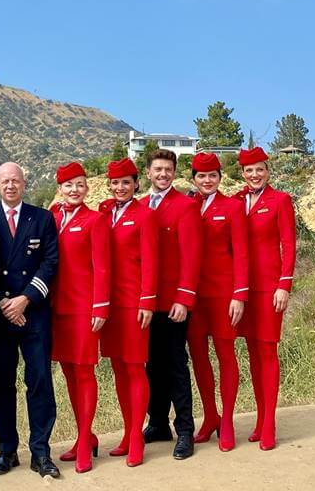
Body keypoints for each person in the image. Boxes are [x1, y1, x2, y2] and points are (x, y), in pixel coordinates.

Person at [0, 161, 61, 478]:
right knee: (2, 383)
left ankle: (41, 451)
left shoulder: (42, 218)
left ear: (24, 183)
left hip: (35, 311)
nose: (11, 186)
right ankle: (7, 450)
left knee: (40, 381)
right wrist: (4, 301)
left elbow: (50, 262)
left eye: (16, 180)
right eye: (5, 181)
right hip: (0, 314)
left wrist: (25, 299)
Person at [141, 149, 202, 460]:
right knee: (151, 366)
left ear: (174, 173)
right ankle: (158, 423)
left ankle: (186, 430)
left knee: (176, 365)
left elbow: (192, 257)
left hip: (173, 302)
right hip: (146, 304)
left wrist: (184, 298)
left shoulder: (186, 206)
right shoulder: (139, 207)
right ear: (148, 173)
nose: (163, 174)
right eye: (158, 169)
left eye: (168, 169)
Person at [50, 162, 110, 474]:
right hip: (57, 309)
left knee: (85, 373)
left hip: (85, 308)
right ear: (60, 188)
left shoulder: (95, 220)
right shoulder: (53, 217)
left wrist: (101, 306)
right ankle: (83, 434)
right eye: (68, 185)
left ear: (87, 188)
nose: (75, 190)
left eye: (80, 184)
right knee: (70, 374)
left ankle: (86, 442)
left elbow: (102, 266)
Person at [187, 152, 249, 452]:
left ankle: (228, 422)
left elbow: (242, 252)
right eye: (201, 176)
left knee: (226, 355)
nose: (207, 181)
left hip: (224, 294)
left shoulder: (233, 207)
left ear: (219, 179)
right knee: (199, 357)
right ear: (194, 179)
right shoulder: (188, 206)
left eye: (212, 175)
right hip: (192, 296)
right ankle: (211, 415)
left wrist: (240, 294)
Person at [235, 146, 296, 451]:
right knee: (253, 354)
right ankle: (259, 420)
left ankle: (270, 422)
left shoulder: (280, 200)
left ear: (267, 171)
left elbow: (288, 243)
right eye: (249, 170)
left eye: (260, 169)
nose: (255, 175)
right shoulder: (236, 201)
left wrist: (284, 285)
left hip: (270, 288)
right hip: (243, 291)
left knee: (268, 352)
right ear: (242, 173)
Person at [97, 158, 157, 467]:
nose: (120, 188)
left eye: (126, 182)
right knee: (118, 367)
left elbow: (151, 260)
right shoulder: (104, 213)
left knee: (135, 367)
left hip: (134, 303)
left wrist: (147, 301)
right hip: (110, 305)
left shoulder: (145, 215)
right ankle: (126, 431)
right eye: (115, 183)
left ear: (136, 184)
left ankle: (137, 436)